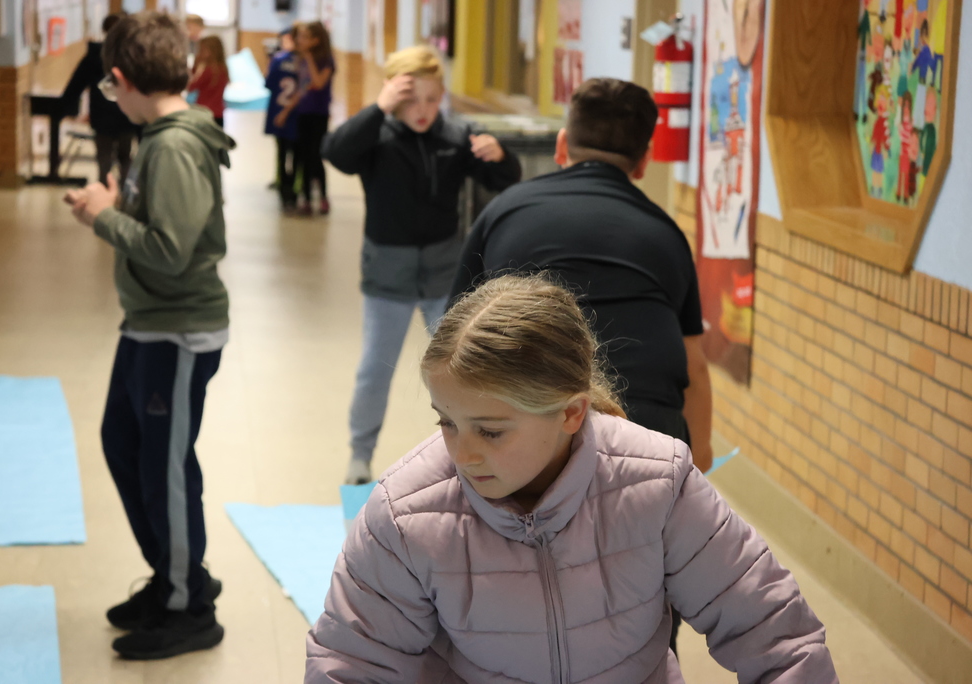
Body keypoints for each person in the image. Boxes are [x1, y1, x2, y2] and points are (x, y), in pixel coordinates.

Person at [305, 273, 838, 683]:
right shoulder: (405, 515)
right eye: (446, 421)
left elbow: (775, 634)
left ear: (570, 413)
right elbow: (350, 665)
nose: (462, 453)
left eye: (490, 431)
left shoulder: (657, 483)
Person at [448, 79, 712, 656]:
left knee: (516, 610)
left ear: (562, 144)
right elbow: (694, 361)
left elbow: (456, 342)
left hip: (526, 425)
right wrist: (696, 462)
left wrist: (461, 438)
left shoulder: (506, 210)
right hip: (649, 435)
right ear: (643, 162)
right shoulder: (666, 233)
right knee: (641, 608)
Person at [62, 10, 235, 660]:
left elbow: (170, 250)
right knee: (122, 443)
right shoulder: (159, 138)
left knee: (164, 469)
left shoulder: (174, 146)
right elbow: (163, 225)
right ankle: (172, 574)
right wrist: (119, 205)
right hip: (148, 323)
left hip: (179, 332)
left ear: (122, 79)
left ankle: (189, 605)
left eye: (110, 90)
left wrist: (105, 218)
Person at [321, 44, 521, 486]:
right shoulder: (376, 136)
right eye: (411, 100)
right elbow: (336, 152)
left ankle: (475, 453)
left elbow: (505, 178)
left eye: (432, 99)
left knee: (464, 368)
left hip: (444, 274)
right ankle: (360, 453)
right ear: (392, 95)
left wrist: (501, 155)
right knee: (375, 369)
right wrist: (379, 107)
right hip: (387, 273)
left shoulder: (456, 136)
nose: (423, 110)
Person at [60, 12, 140, 187]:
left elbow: (77, 82)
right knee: (125, 157)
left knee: (104, 157)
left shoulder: (95, 55)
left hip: (101, 114)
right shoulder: (133, 55)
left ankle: (105, 191)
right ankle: (126, 193)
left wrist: (66, 107)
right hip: (126, 114)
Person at [293, 21, 335, 215]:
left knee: (316, 156)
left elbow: (318, 83)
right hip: (303, 112)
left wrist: (309, 59)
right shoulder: (300, 59)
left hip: (318, 114)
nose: (300, 40)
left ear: (316, 40)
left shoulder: (326, 60)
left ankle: (324, 197)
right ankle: (307, 198)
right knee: (303, 156)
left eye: (305, 37)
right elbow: (302, 86)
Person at [265, 24, 305, 211]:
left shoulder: (278, 60)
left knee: (282, 153)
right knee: (297, 155)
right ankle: (295, 191)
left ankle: (283, 189)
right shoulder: (304, 62)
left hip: (279, 112)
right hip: (298, 116)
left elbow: (268, 83)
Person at [188, 36, 230, 128]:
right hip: (218, 113)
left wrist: (197, 68)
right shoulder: (223, 69)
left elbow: (190, 87)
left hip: (203, 112)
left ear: (210, 51)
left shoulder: (208, 71)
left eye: (202, 50)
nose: (199, 53)